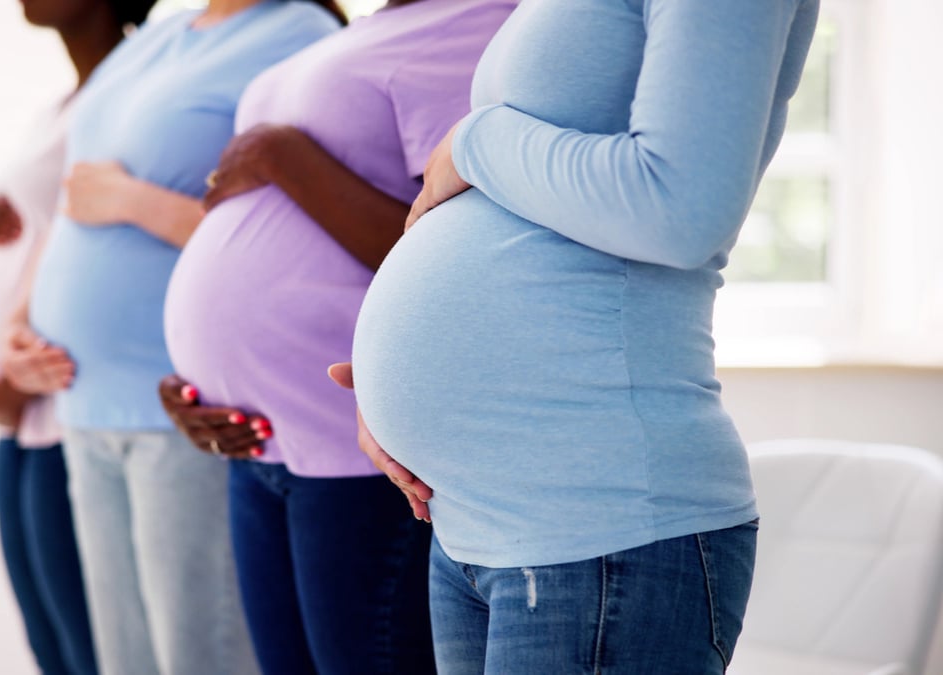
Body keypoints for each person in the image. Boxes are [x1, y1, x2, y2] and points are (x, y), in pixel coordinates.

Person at [340, 1, 821, 672]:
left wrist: (475, 142)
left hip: (599, 528)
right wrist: (394, 378)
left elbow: (681, 210)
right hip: (473, 526)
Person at [157, 0, 514, 671]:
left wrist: (278, 153)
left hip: (358, 451)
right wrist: (202, 367)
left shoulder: (484, 21)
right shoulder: (374, 29)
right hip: (258, 444)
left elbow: (459, 253)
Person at [11, 2, 342, 673]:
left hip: (182, 410)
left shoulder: (299, 33)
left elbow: (300, 232)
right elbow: (76, 194)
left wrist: (134, 201)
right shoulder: (161, 35)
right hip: (85, 402)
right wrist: (20, 321)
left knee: (201, 656)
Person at [0, 1, 152, 673]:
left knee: (88, 650)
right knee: (51, 647)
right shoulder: (68, 98)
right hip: (22, 412)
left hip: (64, 405)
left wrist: (11, 374)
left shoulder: (137, 84)